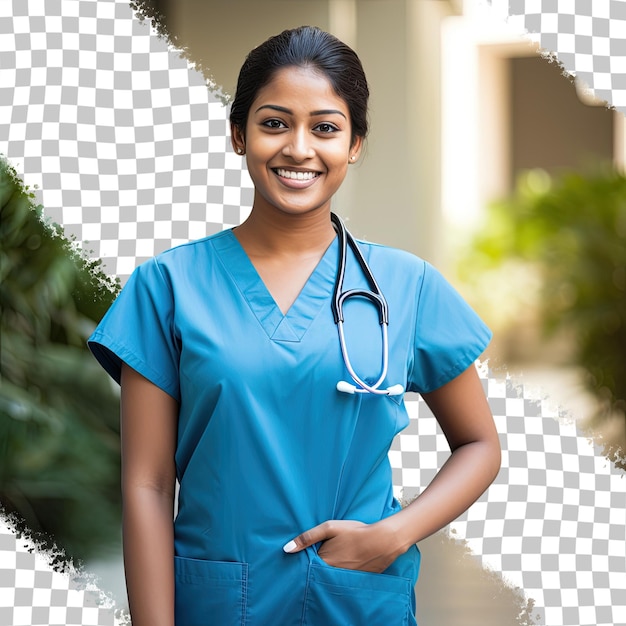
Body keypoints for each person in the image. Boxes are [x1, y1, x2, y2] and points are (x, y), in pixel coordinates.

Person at [88, 25, 501, 626]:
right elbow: (147, 485)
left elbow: (479, 445)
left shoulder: (406, 286)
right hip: (219, 600)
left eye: (326, 128)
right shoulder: (167, 286)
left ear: (355, 143)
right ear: (239, 134)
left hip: (356, 600)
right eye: (274, 123)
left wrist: (394, 534)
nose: (299, 149)